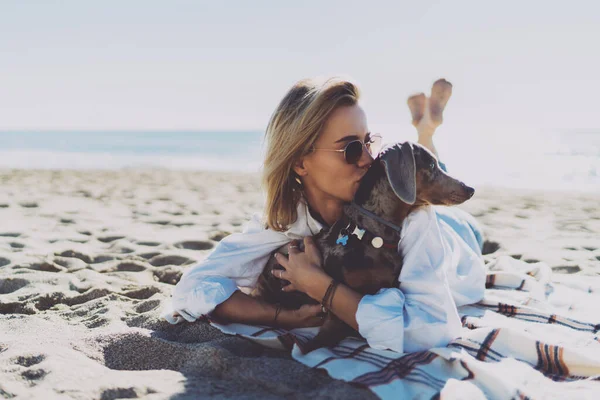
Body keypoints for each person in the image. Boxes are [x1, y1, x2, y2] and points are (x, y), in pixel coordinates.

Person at [161, 77, 486, 353]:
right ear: (300, 162)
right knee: (423, 180)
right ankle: (426, 131)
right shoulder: (290, 221)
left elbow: (433, 329)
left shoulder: (413, 217)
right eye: (351, 149)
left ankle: (426, 136)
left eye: (369, 142)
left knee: (430, 182)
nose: (369, 160)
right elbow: (192, 289)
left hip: (460, 237)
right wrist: (284, 318)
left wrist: (323, 287)